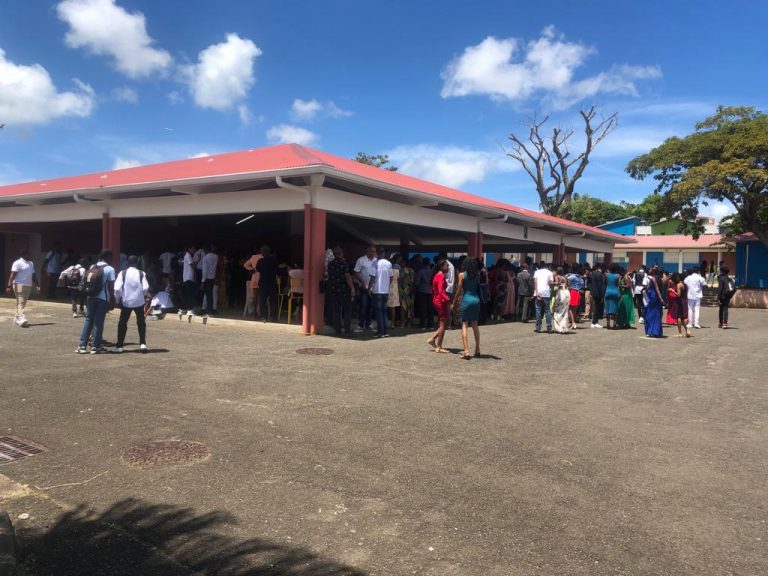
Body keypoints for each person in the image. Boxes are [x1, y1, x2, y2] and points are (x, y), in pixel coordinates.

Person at [76, 249, 116, 354]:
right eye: (111, 257)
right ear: (108, 257)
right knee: (98, 322)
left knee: (88, 319)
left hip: (90, 296)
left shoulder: (92, 267)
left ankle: (82, 346)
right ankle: (96, 346)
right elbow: (111, 286)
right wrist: (112, 299)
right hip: (102, 298)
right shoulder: (110, 269)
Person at [112, 255, 150, 353]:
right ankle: (142, 344)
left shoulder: (122, 273)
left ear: (127, 263)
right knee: (141, 322)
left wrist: (117, 300)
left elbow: (117, 289)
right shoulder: (142, 273)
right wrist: (142, 295)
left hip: (126, 302)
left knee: (122, 322)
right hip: (139, 302)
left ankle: (119, 346)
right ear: (137, 263)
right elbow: (145, 288)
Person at [452, 257, 482, 358]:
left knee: (464, 325)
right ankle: (477, 349)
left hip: (466, 300)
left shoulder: (461, 275)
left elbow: (459, 290)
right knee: (475, 325)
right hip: (476, 300)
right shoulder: (477, 275)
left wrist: (454, 302)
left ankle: (466, 351)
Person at [6, 249, 40, 327]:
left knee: (23, 303)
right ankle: (22, 318)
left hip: (28, 285)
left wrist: (37, 285)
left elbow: (33, 275)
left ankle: (17, 318)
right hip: (19, 285)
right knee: (21, 302)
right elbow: (12, 275)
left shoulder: (31, 263)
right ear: (24, 255)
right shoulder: (17, 263)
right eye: (28, 254)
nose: (30, 255)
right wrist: (8, 286)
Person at [326, 246, 356, 336]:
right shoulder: (344, 263)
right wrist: (352, 287)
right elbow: (347, 276)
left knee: (336, 311)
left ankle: (337, 330)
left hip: (333, 290)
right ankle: (347, 331)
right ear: (341, 254)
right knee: (347, 311)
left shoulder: (330, 264)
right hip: (344, 290)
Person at [368, 248, 392, 338]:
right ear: (384, 253)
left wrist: (369, 288)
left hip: (377, 290)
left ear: (377, 253)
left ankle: (380, 332)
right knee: (384, 311)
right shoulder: (389, 263)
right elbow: (391, 277)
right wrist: (387, 286)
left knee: (378, 312)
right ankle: (385, 331)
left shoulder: (375, 263)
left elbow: (372, 277)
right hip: (386, 291)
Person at [428, 260, 451, 353]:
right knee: (443, 324)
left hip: (437, 300)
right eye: (446, 266)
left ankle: (433, 339)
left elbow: (435, 290)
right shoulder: (441, 276)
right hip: (441, 301)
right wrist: (448, 300)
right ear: (441, 267)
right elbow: (441, 291)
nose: (448, 267)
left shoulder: (436, 275)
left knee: (444, 322)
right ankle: (439, 346)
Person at [353, 245, 377, 333]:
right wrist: (362, 282)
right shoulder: (361, 260)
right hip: (364, 287)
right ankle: (360, 325)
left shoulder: (376, 261)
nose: (373, 253)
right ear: (367, 251)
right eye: (371, 251)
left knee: (371, 307)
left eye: (374, 251)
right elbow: (356, 272)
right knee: (363, 306)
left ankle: (368, 324)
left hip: (373, 288)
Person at [256, 245, 278, 322]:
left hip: (263, 283)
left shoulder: (260, 261)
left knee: (263, 301)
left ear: (262, 252)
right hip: (272, 282)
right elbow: (277, 269)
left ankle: (263, 317)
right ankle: (274, 318)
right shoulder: (274, 260)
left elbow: (258, 269)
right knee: (273, 301)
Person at [532, 261, 554, 333]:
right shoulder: (550, 273)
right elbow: (550, 283)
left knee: (538, 310)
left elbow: (535, 282)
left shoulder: (537, 272)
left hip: (538, 292)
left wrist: (537, 292)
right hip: (546, 292)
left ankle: (538, 327)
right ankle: (549, 328)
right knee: (547, 311)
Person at [643, 269, 664, 338]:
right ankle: (656, 331)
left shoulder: (653, 279)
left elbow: (656, 288)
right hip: (656, 297)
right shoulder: (660, 280)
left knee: (650, 314)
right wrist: (660, 298)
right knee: (656, 314)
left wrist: (660, 297)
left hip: (653, 297)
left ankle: (651, 331)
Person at [243, 247, 263, 317]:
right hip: (262, 277)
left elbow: (245, 265)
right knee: (262, 296)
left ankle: (255, 313)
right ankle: (261, 312)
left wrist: (251, 269)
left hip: (254, 277)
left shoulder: (253, 257)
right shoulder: (263, 257)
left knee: (255, 296)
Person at [179, 245, 198, 320]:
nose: (194, 250)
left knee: (187, 294)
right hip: (188, 278)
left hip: (188, 278)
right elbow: (193, 266)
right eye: (193, 248)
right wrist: (198, 260)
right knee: (190, 294)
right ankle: (189, 310)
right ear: (189, 249)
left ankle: (185, 309)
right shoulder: (188, 255)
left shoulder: (188, 256)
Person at [551, 266, 571, 334]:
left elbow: (557, 283)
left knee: (558, 310)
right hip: (567, 292)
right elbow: (568, 285)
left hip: (561, 293)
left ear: (557, 271)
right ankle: (564, 327)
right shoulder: (565, 277)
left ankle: (559, 328)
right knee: (565, 310)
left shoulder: (557, 277)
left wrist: (551, 283)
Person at [415, 258, 433, 330]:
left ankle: (422, 325)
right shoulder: (432, 271)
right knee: (430, 308)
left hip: (422, 290)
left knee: (423, 308)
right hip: (430, 291)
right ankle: (430, 324)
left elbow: (417, 283)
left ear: (423, 264)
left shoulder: (420, 272)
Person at [201, 244, 218, 316]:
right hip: (212, 278)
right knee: (211, 294)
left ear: (206, 250)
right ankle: (211, 309)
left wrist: (202, 281)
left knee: (208, 295)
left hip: (207, 278)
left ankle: (209, 310)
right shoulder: (216, 257)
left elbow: (205, 270)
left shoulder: (205, 258)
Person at [566, 264, 583, 330]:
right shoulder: (580, 277)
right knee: (574, 309)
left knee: (570, 308)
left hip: (573, 292)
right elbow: (582, 284)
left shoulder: (572, 276)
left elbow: (567, 281)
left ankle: (573, 322)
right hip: (578, 292)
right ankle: (573, 321)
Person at [603, 262, 621, 329]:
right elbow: (619, 285)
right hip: (615, 292)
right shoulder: (618, 276)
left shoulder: (606, 275)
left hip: (608, 291)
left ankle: (608, 324)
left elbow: (605, 283)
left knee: (607, 308)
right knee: (616, 309)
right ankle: (614, 324)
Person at [589, 264, 605, 328]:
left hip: (594, 293)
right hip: (598, 293)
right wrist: (602, 295)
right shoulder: (599, 274)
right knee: (597, 308)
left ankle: (595, 322)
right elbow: (599, 286)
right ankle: (595, 322)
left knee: (596, 307)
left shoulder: (594, 274)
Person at [387, 257, 401, 328]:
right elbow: (399, 280)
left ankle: (386, 322)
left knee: (384, 308)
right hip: (394, 290)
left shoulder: (386, 271)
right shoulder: (396, 271)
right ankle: (392, 323)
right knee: (393, 308)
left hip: (386, 289)